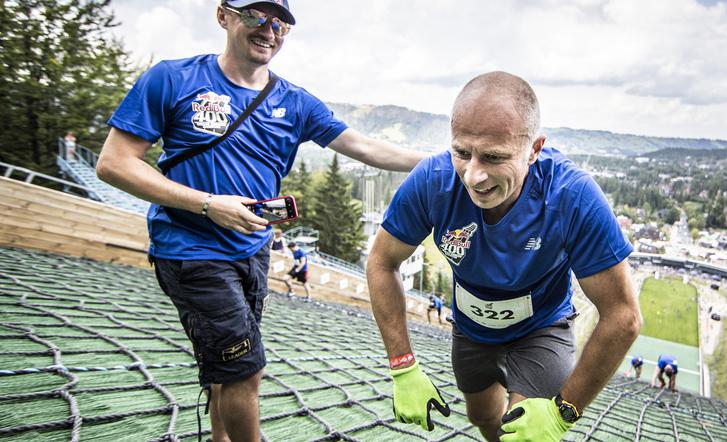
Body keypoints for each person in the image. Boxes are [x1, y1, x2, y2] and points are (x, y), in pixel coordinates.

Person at [94, 1, 425, 440]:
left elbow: (365, 148)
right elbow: (114, 163)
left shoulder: (295, 102)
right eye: (255, 16)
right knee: (245, 370)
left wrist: (448, 162)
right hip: (190, 249)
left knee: (227, 368)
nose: (269, 30)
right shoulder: (172, 79)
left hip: (253, 251)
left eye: (280, 24)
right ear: (223, 16)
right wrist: (208, 204)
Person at [366, 71, 641, 442]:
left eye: (494, 157)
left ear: (534, 149)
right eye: (462, 153)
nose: (473, 176)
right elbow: (382, 262)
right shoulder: (433, 179)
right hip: (471, 330)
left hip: (541, 328)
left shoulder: (572, 197)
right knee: (482, 417)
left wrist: (563, 412)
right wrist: (403, 367)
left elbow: (623, 315)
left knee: (523, 433)